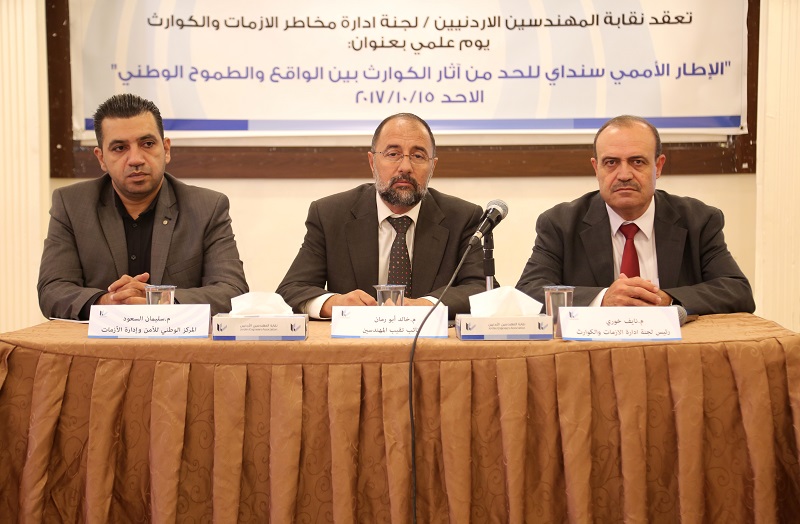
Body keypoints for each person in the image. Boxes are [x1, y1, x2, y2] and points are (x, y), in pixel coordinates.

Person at [516, 115, 755, 315]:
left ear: (658, 166)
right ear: (596, 168)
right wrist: (602, 299)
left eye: (637, 161)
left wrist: (668, 300)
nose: (624, 174)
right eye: (611, 162)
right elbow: (527, 293)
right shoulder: (560, 223)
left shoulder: (698, 220)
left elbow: (737, 291)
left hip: (674, 349)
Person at [38, 93, 248, 319]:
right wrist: (106, 302)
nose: (136, 159)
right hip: (99, 340)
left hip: (176, 340)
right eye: (120, 148)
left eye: (147, 144)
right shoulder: (72, 205)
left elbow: (233, 292)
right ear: (101, 158)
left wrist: (159, 300)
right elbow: (52, 290)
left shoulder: (207, 208)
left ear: (166, 149)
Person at [277, 113, 487, 319]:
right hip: (355, 340)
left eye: (418, 156)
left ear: (433, 166)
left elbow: (483, 289)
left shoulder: (463, 218)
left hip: (429, 339)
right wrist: (335, 303)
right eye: (393, 154)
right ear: (372, 162)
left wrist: (427, 305)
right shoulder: (330, 215)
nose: (405, 167)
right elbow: (292, 290)